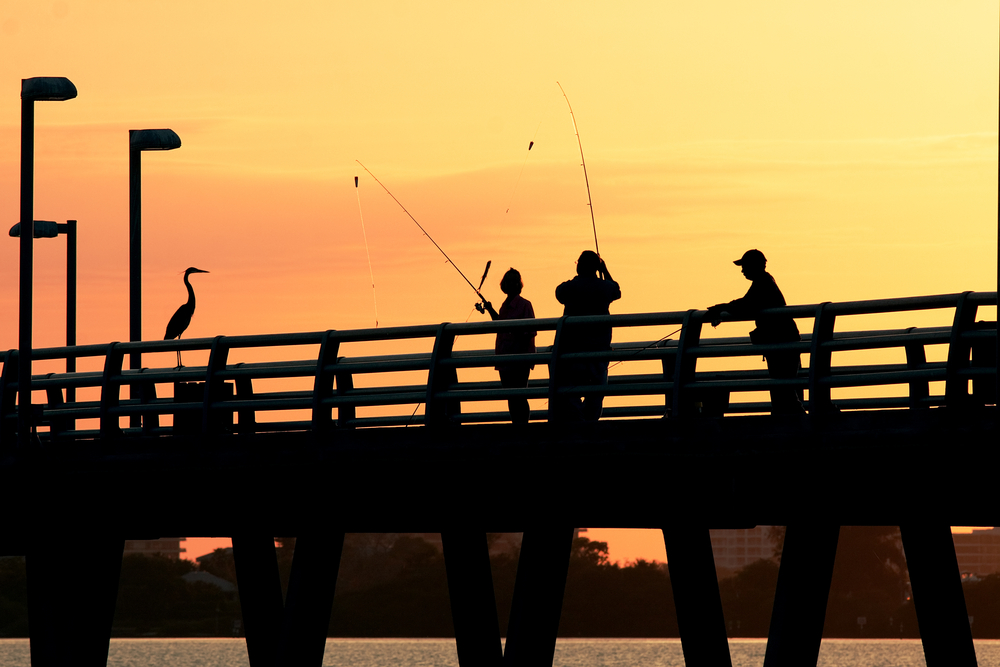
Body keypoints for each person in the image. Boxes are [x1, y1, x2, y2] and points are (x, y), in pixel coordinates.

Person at [706, 249, 804, 415]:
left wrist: (723, 307)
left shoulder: (763, 283)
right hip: (782, 340)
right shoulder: (763, 281)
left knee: (783, 387)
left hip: (782, 342)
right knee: (782, 386)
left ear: (756, 266)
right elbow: (746, 302)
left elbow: (747, 307)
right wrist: (724, 307)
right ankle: (787, 418)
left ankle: (794, 420)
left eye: (744, 266)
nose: (742, 270)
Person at [552, 250, 622, 422]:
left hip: (572, 348)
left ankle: (577, 418)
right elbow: (617, 291)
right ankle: (590, 422)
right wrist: (604, 270)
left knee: (569, 387)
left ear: (579, 266)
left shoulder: (569, 288)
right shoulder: (605, 287)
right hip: (599, 347)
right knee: (597, 389)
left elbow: (558, 293)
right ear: (596, 267)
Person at [482, 269, 536, 423]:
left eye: (514, 281)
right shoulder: (504, 306)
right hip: (504, 358)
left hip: (519, 359)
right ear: (504, 284)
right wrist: (490, 309)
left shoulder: (525, 305)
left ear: (519, 284)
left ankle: (522, 425)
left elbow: (530, 331)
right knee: (510, 396)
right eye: (508, 281)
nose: (511, 284)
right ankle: (516, 424)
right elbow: (500, 324)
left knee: (519, 394)